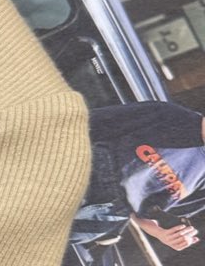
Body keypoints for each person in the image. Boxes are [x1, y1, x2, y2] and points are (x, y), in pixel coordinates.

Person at [76, 98, 205, 251]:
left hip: (106, 216)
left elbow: (149, 213)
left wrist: (164, 234)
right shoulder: (169, 115)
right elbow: (85, 124)